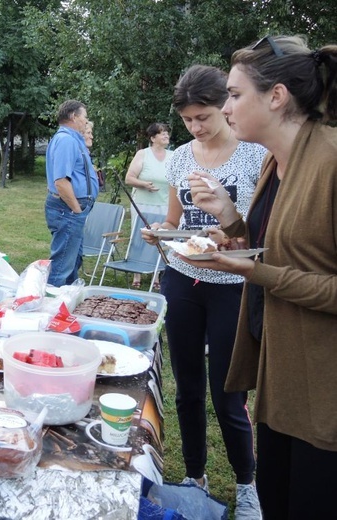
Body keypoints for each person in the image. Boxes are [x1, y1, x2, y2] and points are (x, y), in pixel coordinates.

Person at [186, 36, 337, 519]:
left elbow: (288, 267)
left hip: (324, 390)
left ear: (276, 96)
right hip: (282, 374)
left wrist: (255, 271)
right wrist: (231, 221)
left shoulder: (332, 162)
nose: (225, 107)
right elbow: (287, 241)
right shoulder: (279, 159)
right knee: (277, 499)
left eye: (233, 94)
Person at [141, 65, 266, 519]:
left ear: (224, 108)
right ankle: (195, 476)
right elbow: (175, 222)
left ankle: (247, 483)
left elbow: (260, 229)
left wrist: (228, 234)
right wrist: (161, 231)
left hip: (232, 283)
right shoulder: (179, 158)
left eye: (204, 117)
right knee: (186, 389)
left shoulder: (254, 154)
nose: (196, 127)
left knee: (228, 394)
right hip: (183, 279)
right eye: (188, 120)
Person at [45, 99, 98, 287]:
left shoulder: (72, 140)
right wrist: (76, 210)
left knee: (73, 262)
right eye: (84, 117)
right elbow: (61, 181)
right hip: (68, 210)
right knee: (61, 267)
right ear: (74, 116)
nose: (86, 121)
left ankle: (66, 304)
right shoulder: (66, 140)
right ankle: (51, 308)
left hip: (71, 210)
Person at [125, 123, 172, 289]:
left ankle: (157, 273)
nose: (166, 135)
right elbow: (129, 178)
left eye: (167, 133)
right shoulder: (143, 154)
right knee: (140, 236)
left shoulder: (173, 156)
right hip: (143, 204)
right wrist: (144, 184)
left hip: (165, 204)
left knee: (159, 236)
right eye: (162, 133)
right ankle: (136, 273)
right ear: (153, 138)